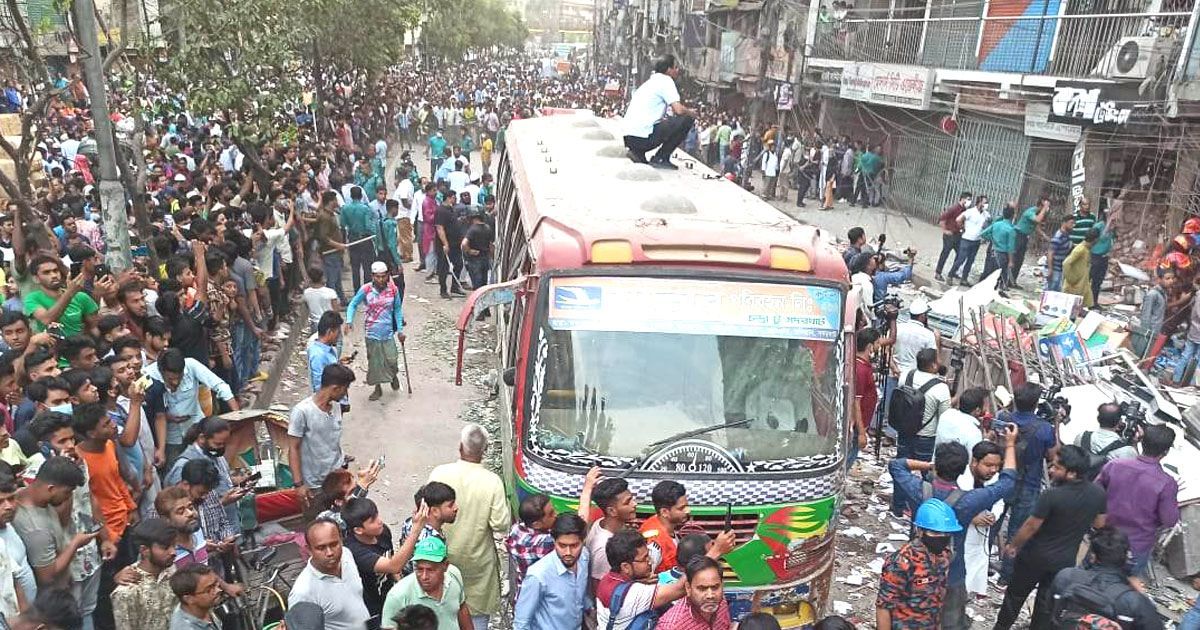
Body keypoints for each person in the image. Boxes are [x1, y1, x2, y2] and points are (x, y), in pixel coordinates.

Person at [889, 428, 1018, 630]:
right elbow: (1008, 481)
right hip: (952, 571)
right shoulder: (969, 500)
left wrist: (930, 465)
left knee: (911, 617)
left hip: (915, 568)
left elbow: (896, 465)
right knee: (951, 622)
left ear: (937, 465)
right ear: (965, 467)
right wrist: (1010, 444)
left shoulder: (917, 490)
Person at [993, 445, 1107, 630]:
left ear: (1071, 473)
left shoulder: (1052, 495)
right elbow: (1099, 524)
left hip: (1033, 557)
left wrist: (1013, 546)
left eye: (1057, 467)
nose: (1051, 470)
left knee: (1014, 598)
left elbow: (1031, 526)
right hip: (1064, 561)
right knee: (1046, 606)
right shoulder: (1098, 494)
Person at [427, 424, 510, 630]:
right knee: (476, 620)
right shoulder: (492, 482)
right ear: (485, 451)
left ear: (460, 447)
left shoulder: (439, 473)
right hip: (477, 566)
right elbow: (501, 524)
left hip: (441, 560)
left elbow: (425, 510)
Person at [1095, 423, 1179, 576]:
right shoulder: (1167, 483)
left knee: (1085, 584)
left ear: (1141, 441)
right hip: (1134, 548)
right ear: (1165, 452)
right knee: (1119, 592)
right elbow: (1169, 520)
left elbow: (1095, 492)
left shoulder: (1115, 465)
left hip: (1104, 539)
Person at [996, 381, 1059, 583]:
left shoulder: (1004, 419)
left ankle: (981, 562)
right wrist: (1055, 423)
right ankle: (1006, 575)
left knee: (993, 522)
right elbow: (1052, 456)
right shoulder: (1044, 429)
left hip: (1002, 476)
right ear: (1036, 403)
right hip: (1028, 484)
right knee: (1016, 531)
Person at [504, 468, 598, 594]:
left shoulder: (517, 530)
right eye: (551, 514)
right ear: (536, 524)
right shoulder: (545, 542)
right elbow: (581, 523)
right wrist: (587, 487)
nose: (556, 514)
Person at [343, 497, 433, 628]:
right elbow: (393, 566)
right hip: (370, 608)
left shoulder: (382, 531)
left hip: (388, 595)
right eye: (372, 520)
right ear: (358, 530)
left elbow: (392, 561)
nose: (379, 521)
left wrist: (400, 584)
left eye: (377, 515)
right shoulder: (354, 551)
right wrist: (416, 529)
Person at [1050, 526, 1163, 630]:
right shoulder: (1134, 602)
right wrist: (1143, 596)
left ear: (1092, 556)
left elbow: (1052, 611)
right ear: (1125, 559)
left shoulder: (1065, 577)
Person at [145, 348, 238, 469]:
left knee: (209, 468)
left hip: (196, 428)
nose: (175, 382)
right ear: (161, 371)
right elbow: (150, 413)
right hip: (171, 438)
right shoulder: (148, 376)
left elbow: (220, 386)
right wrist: (166, 417)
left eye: (179, 377)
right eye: (171, 379)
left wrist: (238, 414)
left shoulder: (192, 365)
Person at [875, 498, 959, 629]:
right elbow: (883, 607)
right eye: (935, 532)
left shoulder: (944, 555)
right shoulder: (901, 562)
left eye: (946, 533)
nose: (941, 537)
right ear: (920, 531)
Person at [889, 348, 950, 517]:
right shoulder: (941, 388)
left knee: (902, 468)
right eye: (937, 360)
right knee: (928, 473)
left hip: (904, 431)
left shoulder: (906, 376)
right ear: (932, 365)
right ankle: (925, 508)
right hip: (926, 437)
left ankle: (898, 506)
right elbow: (944, 417)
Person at [288, 364, 356, 504]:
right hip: (315, 483)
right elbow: (293, 448)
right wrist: (299, 484)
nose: (345, 393)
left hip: (337, 477)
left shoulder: (336, 406)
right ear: (335, 388)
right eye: (345, 389)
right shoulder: (302, 412)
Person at [596, 529, 689, 630]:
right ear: (626, 567)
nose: (650, 561)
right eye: (645, 558)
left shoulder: (606, 579)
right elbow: (680, 589)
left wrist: (638, 582)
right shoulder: (633, 594)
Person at [288, 519, 371, 630]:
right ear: (309, 550)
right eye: (321, 548)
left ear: (341, 540)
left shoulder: (346, 554)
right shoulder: (303, 592)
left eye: (334, 544)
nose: (330, 553)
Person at [512, 514, 591, 630]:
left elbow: (580, 593)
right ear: (554, 541)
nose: (568, 552)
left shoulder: (584, 557)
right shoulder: (538, 575)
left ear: (583, 541)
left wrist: (590, 608)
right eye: (562, 545)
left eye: (574, 545)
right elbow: (521, 623)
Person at [621, 54, 696, 169]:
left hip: (629, 139)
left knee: (666, 121)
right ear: (668, 70)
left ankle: (638, 153)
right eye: (675, 67)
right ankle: (661, 157)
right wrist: (691, 112)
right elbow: (679, 110)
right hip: (643, 139)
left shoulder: (649, 82)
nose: (678, 70)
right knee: (686, 119)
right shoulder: (666, 81)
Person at [379, 537, 471, 630]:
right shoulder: (397, 596)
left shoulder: (454, 574)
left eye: (430, 570)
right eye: (419, 569)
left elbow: (462, 609)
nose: (424, 576)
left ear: (445, 566)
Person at [345, 261, 404, 401]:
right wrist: (349, 320)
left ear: (388, 275)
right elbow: (353, 304)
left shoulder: (393, 290)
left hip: (388, 332)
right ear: (372, 276)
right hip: (371, 332)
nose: (381, 279)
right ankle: (377, 388)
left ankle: (393, 376)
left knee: (392, 359)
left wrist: (400, 330)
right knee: (374, 362)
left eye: (383, 276)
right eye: (377, 277)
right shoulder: (366, 290)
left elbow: (397, 309)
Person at [111, 518, 177, 630]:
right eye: (165, 548)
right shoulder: (127, 591)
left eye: (174, 545)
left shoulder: (171, 569)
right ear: (145, 550)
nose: (173, 552)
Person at [23, 256, 98, 338]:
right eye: (46, 272)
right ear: (36, 279)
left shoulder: (80, 297)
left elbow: (93, 327)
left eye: (55, 271)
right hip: (52, 348)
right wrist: (70, 292)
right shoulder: (32, 298)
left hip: (79, 346)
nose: (54, 275)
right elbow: (46, 319)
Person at [586, 477, 638, 587]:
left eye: (632, 499)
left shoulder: (601, 522)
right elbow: (600, 586)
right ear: (611, 511)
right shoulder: (603, 548)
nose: (634, 504)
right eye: (627, 502)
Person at [655, 557, 731, 630]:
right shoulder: (671, 626)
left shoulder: (721, 602)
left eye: (715, 587)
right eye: (702, 589)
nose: (710, 595)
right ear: (688, 588)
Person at [639, 480, 689, 573]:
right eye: (681, 508)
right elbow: (646, 577)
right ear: (664, 512)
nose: (687, 511)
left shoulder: (661, 524)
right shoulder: (654, 544)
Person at [1074, 403, 1138, 469]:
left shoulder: (1081, 437)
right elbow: (1133, 472)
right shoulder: (1126, 451)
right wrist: (1134, 443)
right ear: (1119, 423)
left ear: (1098, 419)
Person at [933, 387, 989, 456]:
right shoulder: (974, 433)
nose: (987, 409)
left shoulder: (946, 414)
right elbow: (974, 460)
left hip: (937, 463)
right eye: (986, 406)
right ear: (977, 410)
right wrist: (986, 440)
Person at [947, 195, 988, 285]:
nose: (986, 204)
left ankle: (964, 279)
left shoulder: (985, 214)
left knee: (970, 261)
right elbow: (958, 220)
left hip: (976, 241)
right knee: (961, 259)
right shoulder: (970, 212)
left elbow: (988, 223)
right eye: (985, 202)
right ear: (979, 203)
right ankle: (950, 275)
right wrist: (962, 228)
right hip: (967, 239)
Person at [167, 564, 222, 630]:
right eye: (209, 590)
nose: (218, 590)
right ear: (188, 599)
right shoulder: (184, 627)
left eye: (216, 584)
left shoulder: (203, 606)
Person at [1012, 197, 1049, 287]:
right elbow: (1037, 220)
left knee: (1019, 260)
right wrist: (1044, 209)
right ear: (1040, 205)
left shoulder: (1036, 213)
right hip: (1018, 236)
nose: (1047, 209)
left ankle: (1012, 281)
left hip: (1024, 237)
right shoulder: (1030, 212)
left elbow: (1036, 226)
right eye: (1046, 206)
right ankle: (1005, 280)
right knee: (1014, 259)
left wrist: (1045, 237)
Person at [979, 203, 1017, 290]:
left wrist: (992, 239)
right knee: (999, 275)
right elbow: (1010, 248)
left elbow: (983, 233)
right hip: (1003, 255)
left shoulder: (996, 224)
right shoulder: (1011, 230)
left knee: (988, 272)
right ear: (1012, 216)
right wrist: (1011, 261)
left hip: (993, 251)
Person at [935, 192, 971, 282]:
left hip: (958, 235)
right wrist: (945, 231)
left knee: (960, 254)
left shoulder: (964, 210)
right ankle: (938, 273)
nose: (969, 202)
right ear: (962, 199)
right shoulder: (954, 208)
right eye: (968, 199)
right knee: (945, 253)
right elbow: (942, 219)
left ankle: (953, 272)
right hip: (950, 235)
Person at [1062, 228, 1099, 308]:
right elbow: (1066, 263)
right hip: (1075, 286)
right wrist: (1071, 279)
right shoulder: (1080, 249)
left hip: (1082, 284)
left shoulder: (1086, 249)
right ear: (1095, 240)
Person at [1045, 216, 1075, 292]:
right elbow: (1050, 253)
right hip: (1055, 268)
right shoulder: (1058, 237)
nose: (1073, 225)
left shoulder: (1067, 235)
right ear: (1064, 223)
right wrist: (1050, 269)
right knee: (1051, 291)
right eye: (1071, 223)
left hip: (1060, 268)